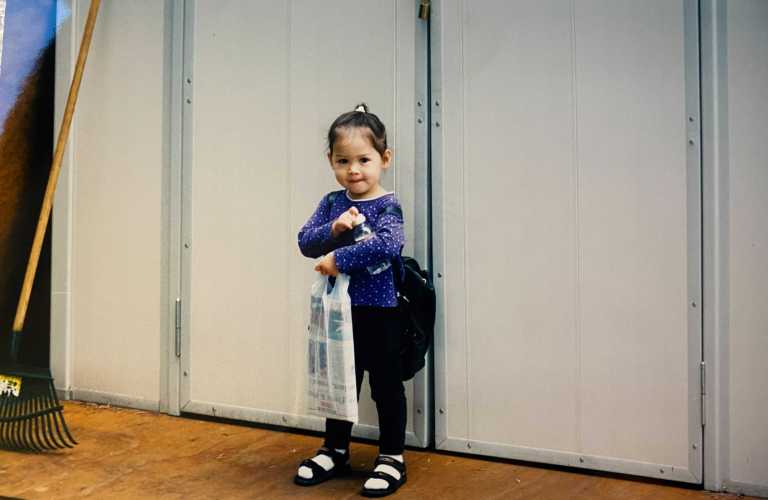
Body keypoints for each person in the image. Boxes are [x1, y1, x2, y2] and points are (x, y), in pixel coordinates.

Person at [295, 103, 407, 497]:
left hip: (382, 311)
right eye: (343, 160)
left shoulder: (387, 205)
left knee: (386, 385)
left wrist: (337, 258)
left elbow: (389, 244)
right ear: (331, 160)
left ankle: (392, 456)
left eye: (364, 159)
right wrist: (333, 229)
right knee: (339, 380)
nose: (354, 170)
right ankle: (335, 449)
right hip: (339, 312)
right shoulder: (331, 203)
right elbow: (305, 241)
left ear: (384, 159)